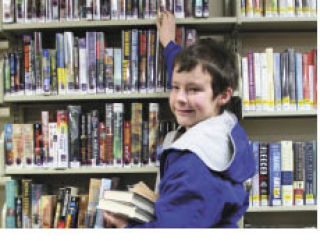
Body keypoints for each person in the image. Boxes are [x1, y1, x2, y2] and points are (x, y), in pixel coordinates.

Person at [104, 11, 256, 228]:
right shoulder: (225, 125)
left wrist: (126, 228)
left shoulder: (192, 165)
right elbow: (188, 77)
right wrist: (169, 46)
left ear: (223, 96)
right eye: (175, 87)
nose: (180, 99)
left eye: (193, 90)